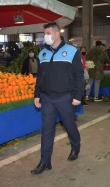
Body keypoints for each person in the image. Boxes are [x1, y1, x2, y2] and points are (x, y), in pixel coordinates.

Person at [32, 22, 84, 175]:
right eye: (44, 33)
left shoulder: (72, 51)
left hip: (65, 97)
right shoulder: (43, 53)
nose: (45, 36)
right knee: (47, 130)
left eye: (48, 33)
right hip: (47, 98)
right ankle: (45, 161)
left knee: (69, 126)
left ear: (56, 33)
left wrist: (78, 95)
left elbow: (78, 75)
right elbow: (40, 77)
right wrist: (37, 94)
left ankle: (75, 146)